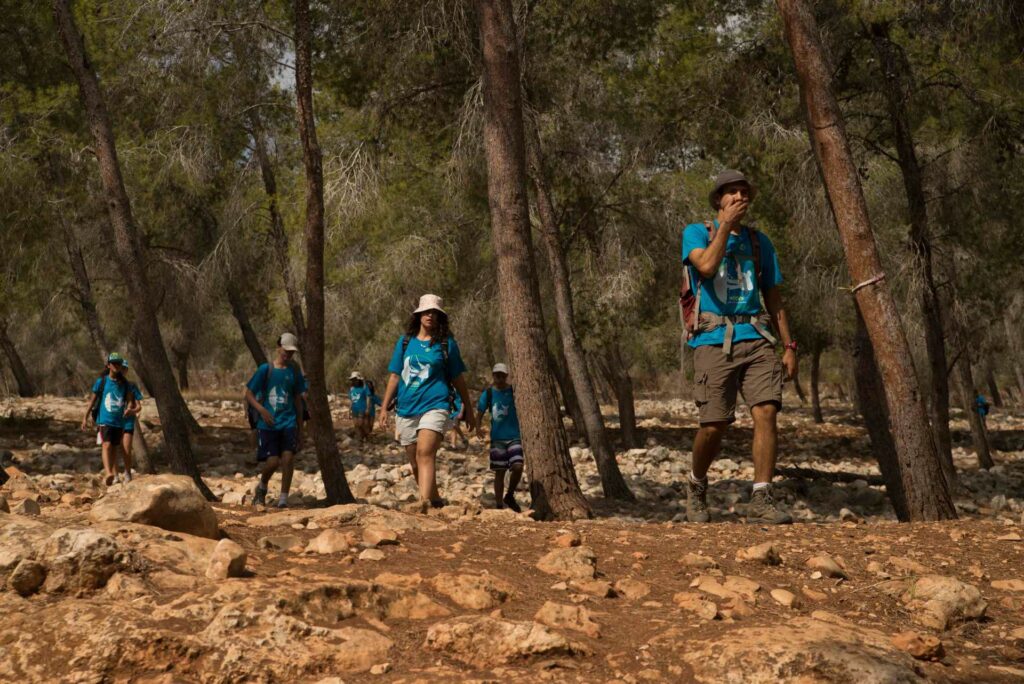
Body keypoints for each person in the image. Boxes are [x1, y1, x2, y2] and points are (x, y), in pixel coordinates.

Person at [681, 170, 798, 525]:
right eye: (731, 192)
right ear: (718, 199)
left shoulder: (760, 242)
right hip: (713, 339)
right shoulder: (697, 233)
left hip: (756, 337)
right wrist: (725, 230)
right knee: (714, 424)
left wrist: (789, 346)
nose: (739, 197)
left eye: (744, 192)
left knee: (766, 411)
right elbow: (705, 266)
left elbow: (774, 297)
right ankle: (696, 484)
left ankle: (761, 496)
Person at [378, 294, 475, 508]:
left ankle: (423, 505)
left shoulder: (446, 344)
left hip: (436, 405)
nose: (430, 315)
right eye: (427, 311)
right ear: (419, 314)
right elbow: (394, 376)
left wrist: (468, 407)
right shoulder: (405, 343)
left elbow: (458, 378)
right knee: (414, 460)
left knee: (425, 452)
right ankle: (435, 499)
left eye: (435, 312)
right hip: (406, 408)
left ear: (440, 317)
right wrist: (384, 408)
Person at [244, 333, 306, 508]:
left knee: (287, 459)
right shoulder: (265, 369)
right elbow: (248, 394)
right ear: (278, 347)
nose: (288, 355)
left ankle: (283, 499)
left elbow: (298, 400)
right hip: (268, 424)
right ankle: (262, 487)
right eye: (286, 350)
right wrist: (262, 410)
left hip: (289, 423)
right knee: (272, 462)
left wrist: (301, 429)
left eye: (291, 352)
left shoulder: (294, 371)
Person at [81, 353, 139, 486]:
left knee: (114, 447)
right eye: (114, 363)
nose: (117, 366)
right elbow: (92, 401)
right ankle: (108, 473)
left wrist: (130, 408)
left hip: (119, 421)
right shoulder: (101, 381)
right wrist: (85, 417)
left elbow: (130, 400)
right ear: (108, 365)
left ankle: (114, 474)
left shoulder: (124, 384)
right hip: (104, 420)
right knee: (106, 445)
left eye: (119, 363)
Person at [476, 363, 523, 512]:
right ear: (493, 376)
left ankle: (509, 494)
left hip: (514, 436)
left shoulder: (513, 391)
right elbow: (480, 411)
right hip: (497, 439)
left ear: (506, 376)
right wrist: (477, 427)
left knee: (518, 466)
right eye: (497, 375)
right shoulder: (488, 393)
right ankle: (499, 505)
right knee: (499, 472)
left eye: (502, 375)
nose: (500, 378)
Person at [119, 359, 144, 482]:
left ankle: (127, 472)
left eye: (124, 369)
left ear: (126, 370)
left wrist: (131, 411)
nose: (121, 371)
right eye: (120, 368)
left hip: (128, 421)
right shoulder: (110, 385)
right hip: (113, 421)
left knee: (126, 448)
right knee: (113, 448)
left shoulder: (132, 386)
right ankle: (114, 474)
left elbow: (139, 406)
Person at [349, 372, 371, 441]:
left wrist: (367, 408)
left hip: (362, 408)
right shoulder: (352, 389)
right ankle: (360, 438)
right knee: (356, 424)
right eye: (353, 379)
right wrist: (349, 409)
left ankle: (366, 436)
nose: (354, 381)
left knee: (361, 424)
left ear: (359, 380)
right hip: (354, 409)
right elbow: (351, 400)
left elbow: (368, 397)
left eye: (355, 379)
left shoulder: (364, 388)